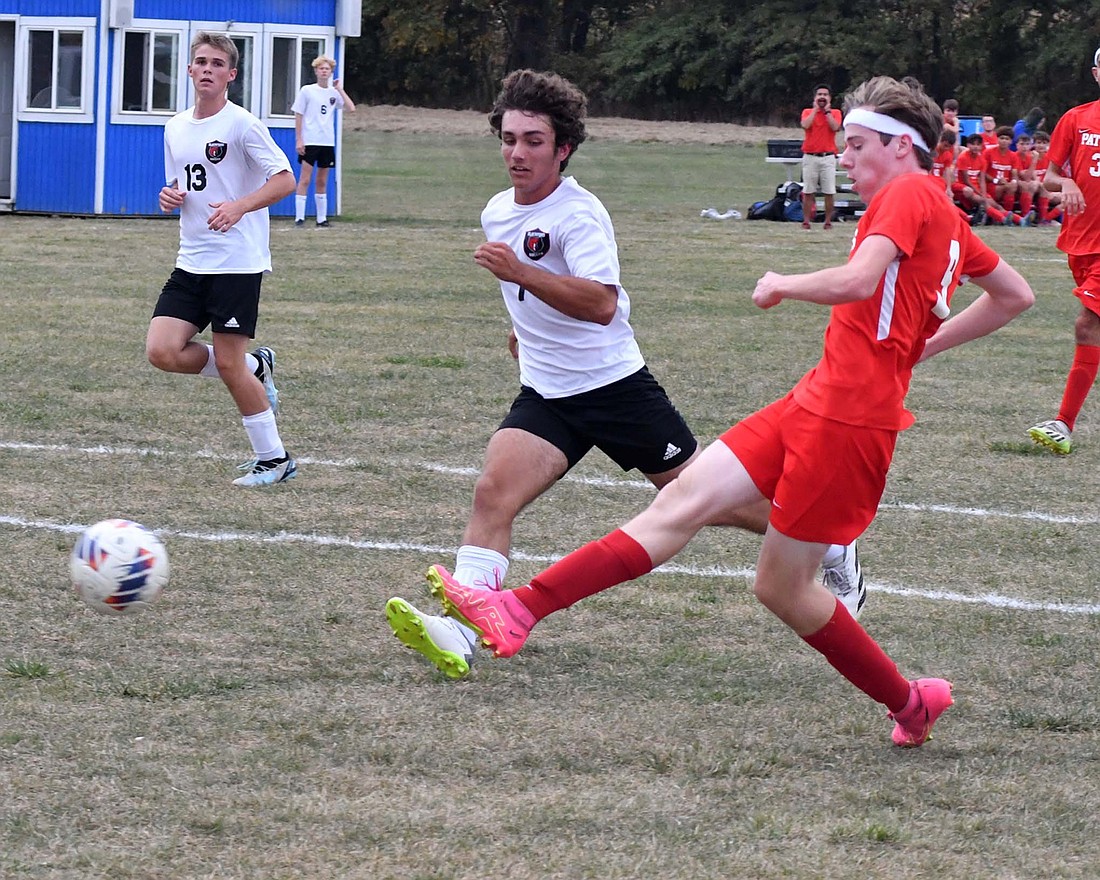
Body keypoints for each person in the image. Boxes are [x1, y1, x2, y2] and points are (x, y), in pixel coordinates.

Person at [428, 75, 1035, 748]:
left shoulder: (909, 191)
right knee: (680, 502)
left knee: (782, 589)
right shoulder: (945, 211)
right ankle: (517, 609)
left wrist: (784, 285)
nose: (847, 161)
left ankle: (909, 702)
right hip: (815, 399)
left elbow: (861, 279)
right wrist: (915, 349)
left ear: (899, 146)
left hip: (851, 423)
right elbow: (1014, 296)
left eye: (857, 146)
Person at [384, 69, 865, 680]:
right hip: (549, 393)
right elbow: (539, 296)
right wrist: (523, 325)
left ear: (563, 148)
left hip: (614, 389)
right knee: (492, 494)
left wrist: (521, 276)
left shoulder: (579, 215)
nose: (517, 152)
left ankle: (828, 545)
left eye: (534, 140)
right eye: (508, 138)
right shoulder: (496, 212)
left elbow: (602, 303)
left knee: (696, 499)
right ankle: (462, 632)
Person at [147, 31, 298, 487]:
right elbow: (182, 185)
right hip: (191, 259)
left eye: (217, 63)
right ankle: (257, 367)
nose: (207, 69)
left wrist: (239, 206)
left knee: (229, 365)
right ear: (190, 70)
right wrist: (168, 196)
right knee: (162, 351)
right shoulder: (175, 126)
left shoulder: (242, 125)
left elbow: (286, 179)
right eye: (200, 61)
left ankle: (274, 459)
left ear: (231, 75)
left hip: (236, 262)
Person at [1027, 48, 1100, 454]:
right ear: (1096, 73)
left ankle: (1063, 424)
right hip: (1081, 242)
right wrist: (1065, 184)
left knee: (1087, 325)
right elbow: (1048, 179)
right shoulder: (1076, 119)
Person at [292, 55, 355, 228]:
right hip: (310, 140)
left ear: (331, 72)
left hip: (327, 141)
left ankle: (322, 219)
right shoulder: (307, 90)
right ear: (316, 71)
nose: (324, 71)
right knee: (305, 179)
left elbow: (351, 108)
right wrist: (299, 139)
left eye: (327, 69)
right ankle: (300, 218)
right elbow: (298, 114)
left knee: (322, 180)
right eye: (321, 68)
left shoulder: (334, 93)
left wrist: (340, 89)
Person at [799, 84, 842, 230]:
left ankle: (828, 221)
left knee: (829, 191)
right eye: (819, 94)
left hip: (828, 157)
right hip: (810, 157)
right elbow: (805, 125)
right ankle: (806, 221)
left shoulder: (835, 113)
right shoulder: (807, 112)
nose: (822, 97)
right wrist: (816, 110)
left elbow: (835, 127)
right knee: (808, 191)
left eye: (825, 95)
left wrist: (827, 112)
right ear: (815, 97)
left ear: (829, 98)